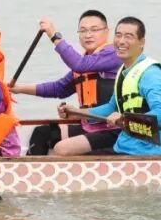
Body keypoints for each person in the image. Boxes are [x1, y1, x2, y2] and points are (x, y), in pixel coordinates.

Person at [11, 10, 122, 155]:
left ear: (107, 32)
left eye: (94, 30)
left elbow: (79, 64)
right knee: (42, 133)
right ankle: (30, 169)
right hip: (89, 127)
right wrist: (19, 89)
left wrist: (54, 36)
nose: (88, 35)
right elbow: (59, 88)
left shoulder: (113, 53)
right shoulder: (86, 62)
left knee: (62, 148)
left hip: (113, 130)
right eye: (83, 30)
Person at [72, 17, 161, 156]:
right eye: (118, 35)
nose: (121, 41)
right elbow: (111, 107)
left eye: (129, 36)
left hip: (146, 154)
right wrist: (76, 112)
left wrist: (124, 118)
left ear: (142, 42)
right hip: (124, 147)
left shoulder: (151, 74)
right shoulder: (124, 71)